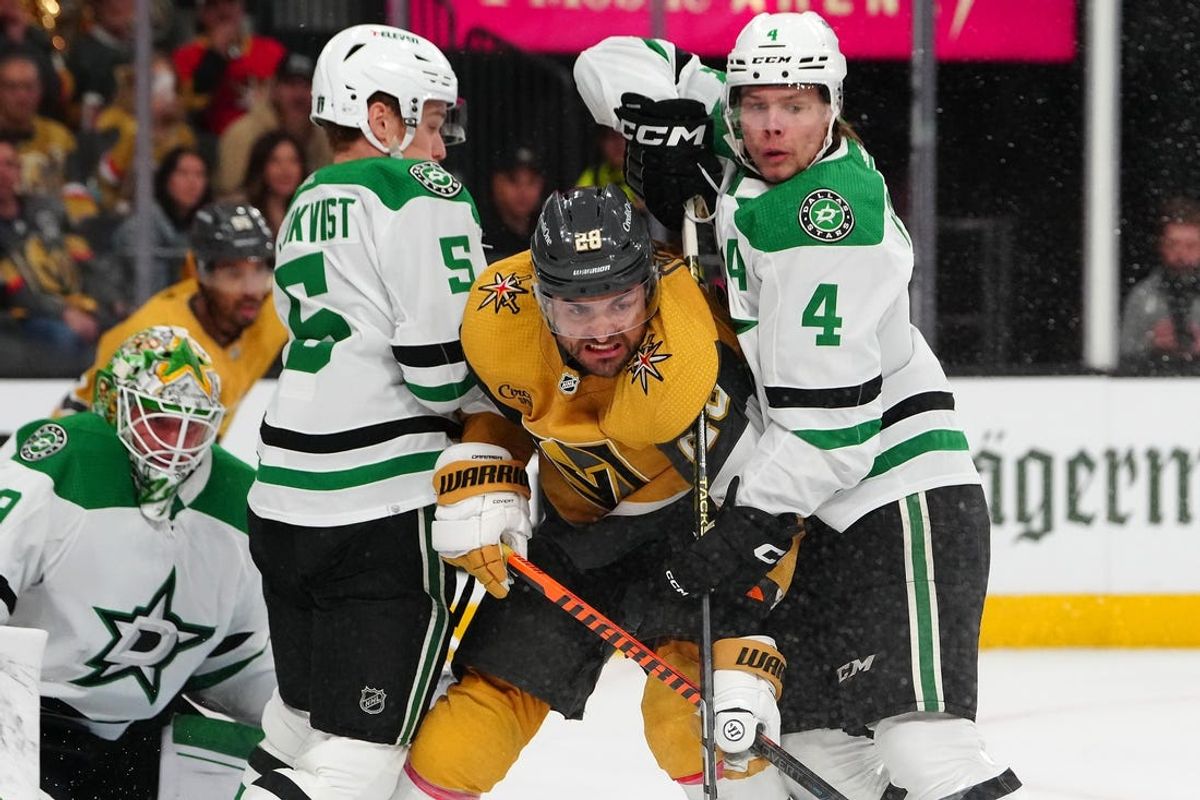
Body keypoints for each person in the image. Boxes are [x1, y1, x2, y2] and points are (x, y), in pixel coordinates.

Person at [576, 11, 1023, 799]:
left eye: (796, 105)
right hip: (823, 515)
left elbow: (834, 439)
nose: (773, 125)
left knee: (926, 750)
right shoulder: (740, 125)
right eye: (755, 104)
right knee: (820, 760)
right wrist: (657, 119)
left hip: (896, 496)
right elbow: (613, 56)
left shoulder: (828, 227)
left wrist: (736, 532)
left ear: (832, 105)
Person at [391, 185, 800, 800]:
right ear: (539, 298)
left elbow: (766, 508)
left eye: (621, 304)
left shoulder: (686, 362)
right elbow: (508, 407)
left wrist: (744, 639)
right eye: (575, 310)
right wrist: (486, 462)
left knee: (695, 726)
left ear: (651, 290)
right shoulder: (502, 321)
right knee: (474, 720)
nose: (603, 330)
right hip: (577, 535)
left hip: (696, 532)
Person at [238, 23, 482, 800]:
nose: (442, 148)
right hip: (377, 511)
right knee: (360, 758)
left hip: (282, 503)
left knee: (301, 730)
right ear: (384, 118)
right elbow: (444, 374)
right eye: (435, 122)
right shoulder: (421, 190)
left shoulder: (304, 200)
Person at [0, 324, 275, 798]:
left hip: (137, 734)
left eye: (193, 426)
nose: (176, 443)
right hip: (27, 720)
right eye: (161, 420)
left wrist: (319, 725)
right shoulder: (64, 457)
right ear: (111, 400)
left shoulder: (236, 498)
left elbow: (241, 664)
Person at [59, 201, 286, 437]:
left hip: (194, 459)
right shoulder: (151, 336)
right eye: (233, 273)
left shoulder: (274, 309)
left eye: (260, 270)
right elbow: (78, 421)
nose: (252, 290)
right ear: (200, 272)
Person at [0, 136, 110, 377]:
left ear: (19, 170)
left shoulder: (47, 211)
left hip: (74, 305)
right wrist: (63, 312)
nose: (2, 173)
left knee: (122, 327)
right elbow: (16, 292)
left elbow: (85, 261)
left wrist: (106, 301)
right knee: (65, 338)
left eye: (9, 164)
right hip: (22, 318)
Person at [214, 49, 332, 199]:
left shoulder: (325, 139)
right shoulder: (242, 135)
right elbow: (228, 197)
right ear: (274, 89)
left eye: (307, 86)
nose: (299, 94)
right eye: (290, 85)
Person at [108, 145, 211, 301]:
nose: (192, 182)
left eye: (199, 175)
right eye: (183, 173)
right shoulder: (141, 228)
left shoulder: (200, 225)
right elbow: (151, 295)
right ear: (166, 179)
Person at [172, 0, 286, 136]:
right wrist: (215, 52)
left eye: (230, 2)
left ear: (242, 8)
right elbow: (190, 108)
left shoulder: (272, 51)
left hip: (265, 136)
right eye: (213, 5)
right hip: (211, 139)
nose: (223, 11)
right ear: (201, 13)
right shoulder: (186, 56)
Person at [1119, 196, 1200, 371]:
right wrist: (1152, 344)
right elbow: (1122, 356)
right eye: (1173, 245)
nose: (1180, 255)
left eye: (1191, 246)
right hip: (1153, 388)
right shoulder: (1143, 295)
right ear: (1161, 246)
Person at [479, 143, 545, 263]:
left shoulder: (548, 235)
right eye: (513, 180)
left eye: (531, 182)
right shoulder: (481, 237)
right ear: (497, 184)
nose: (523, 192)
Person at [235, 129, 307, 236]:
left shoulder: (314, 211)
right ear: (261, 167)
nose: (285, 170)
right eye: (275, 161)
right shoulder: (241, 212)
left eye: (293, 161)